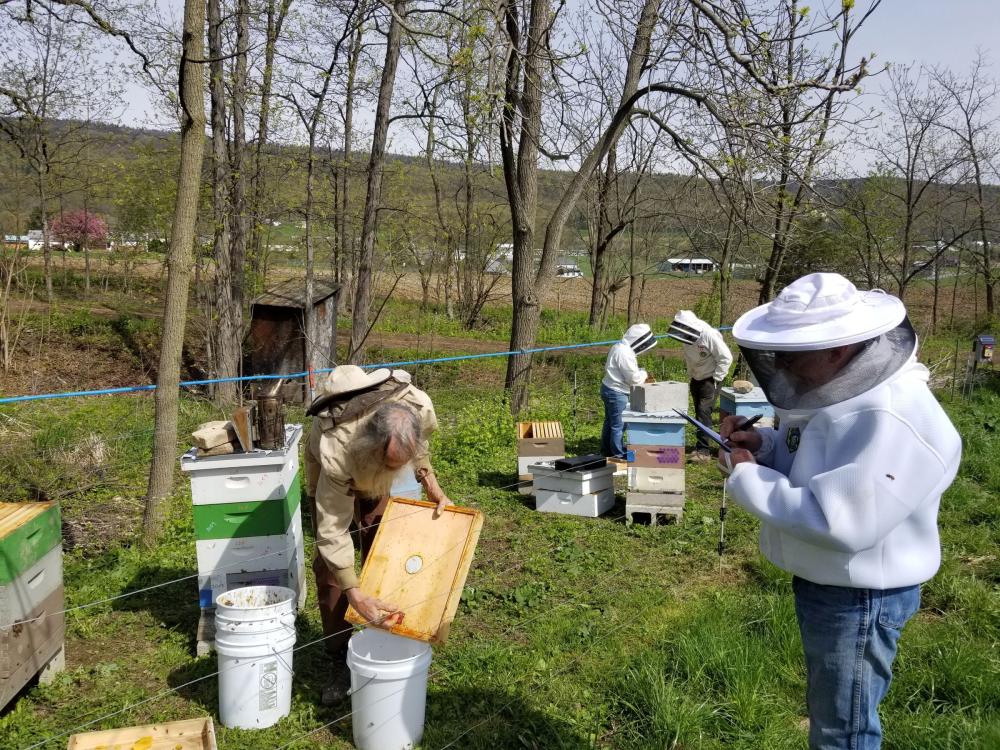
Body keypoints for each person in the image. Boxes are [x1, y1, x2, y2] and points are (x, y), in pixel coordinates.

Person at [717, 273, 962, 750]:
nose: (782, 365)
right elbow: (819, 457)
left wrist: (747, 476)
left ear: (837, 349)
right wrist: (763, 446)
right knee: (833, 716)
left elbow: (840, 522)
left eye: (793, 352)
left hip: (860, 594)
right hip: (834, 583)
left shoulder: (891, 415)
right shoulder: (842, 390)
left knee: (841, 730)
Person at [304, 365, 452, 705]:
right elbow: (332, 528)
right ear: (371, 448)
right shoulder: (336, 448)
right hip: (331, 471)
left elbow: (419, 446)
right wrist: (352, 589)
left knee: (384, 541)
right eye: (388, 464)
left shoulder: (415, 406)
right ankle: (339, 655)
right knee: (330, 570)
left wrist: (428, 480)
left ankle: (384, 634)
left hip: (379, 451)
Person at [666, 310, 733, 462]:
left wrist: (716, 378)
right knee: (698, 414)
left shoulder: (708, 335)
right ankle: (700, 447)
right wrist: (692, 375)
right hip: (696, 377)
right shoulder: (685, 335)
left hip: (710, 378)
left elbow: (726, 357)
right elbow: (690, 358)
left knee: (704, 413)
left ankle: (704, 451)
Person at [601, 323, 657, 459]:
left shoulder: (619, 346)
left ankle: (607, 450)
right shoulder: (624, 353)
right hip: (616, 392)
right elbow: (634, 379)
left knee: (610, 422)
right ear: (638, 340)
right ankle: (618, 454)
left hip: (609, 388)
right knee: (619, 425)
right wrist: (644, 373)